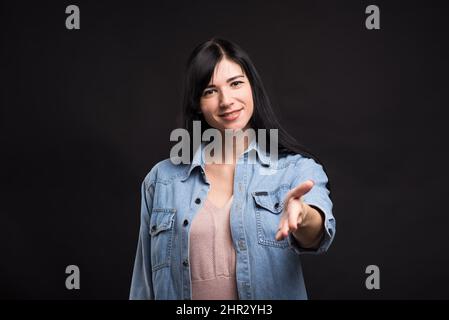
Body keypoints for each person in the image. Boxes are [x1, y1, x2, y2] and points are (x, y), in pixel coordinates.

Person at [129, 38, 336, 300]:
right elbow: (143, 284)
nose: (226, 100)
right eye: (210, 91)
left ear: (252, 87)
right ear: (198, 104)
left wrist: (303, 215)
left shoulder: (295, 170)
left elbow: (317, 233)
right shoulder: (160, 180)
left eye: (236, 83)